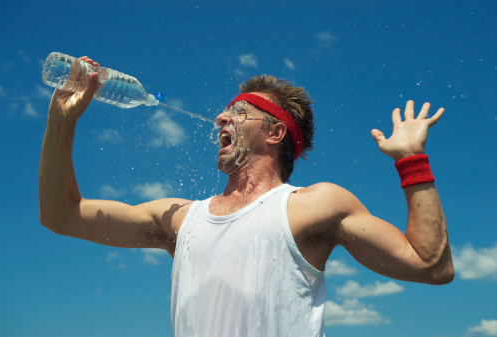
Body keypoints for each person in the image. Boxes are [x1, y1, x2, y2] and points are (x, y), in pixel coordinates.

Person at [39, 56, 454, 337]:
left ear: (275, 133)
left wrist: (412, 160)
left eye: (239, 112)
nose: (222, 116)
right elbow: (61, 215)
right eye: (225, 110)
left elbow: (431, 266)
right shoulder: (182, 219)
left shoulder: (313, 205)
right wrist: (61, 122)